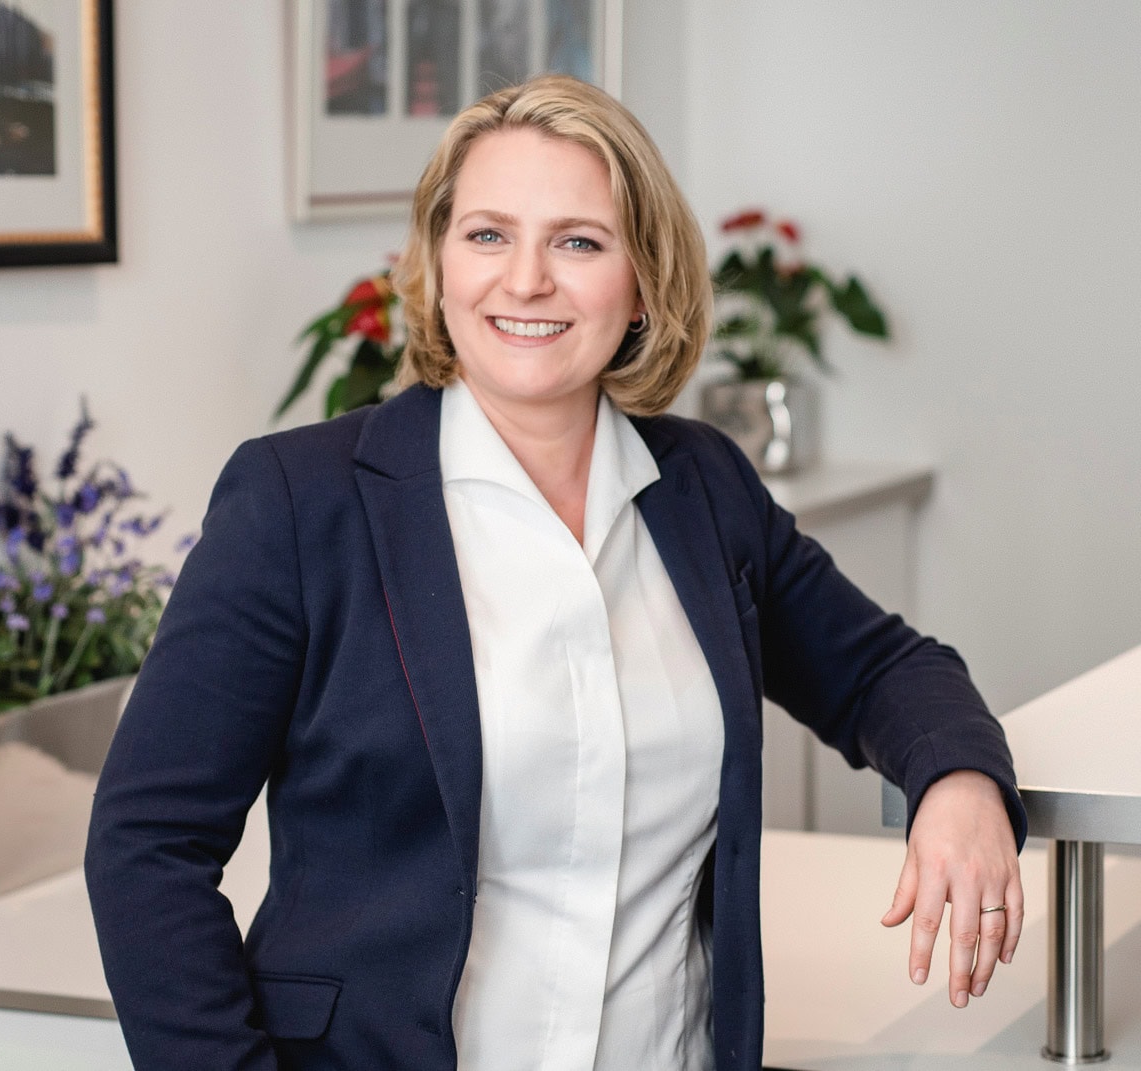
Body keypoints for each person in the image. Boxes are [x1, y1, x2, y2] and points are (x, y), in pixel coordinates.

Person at [85, 74, 1028, 1071]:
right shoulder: (301, 502)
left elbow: (881, 668)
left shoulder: (702, 486)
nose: (526, 280)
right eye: (488, 234)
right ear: (438, 263)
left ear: (644, 281)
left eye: (578, 242)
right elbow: (147, 845)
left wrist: (959, 781)